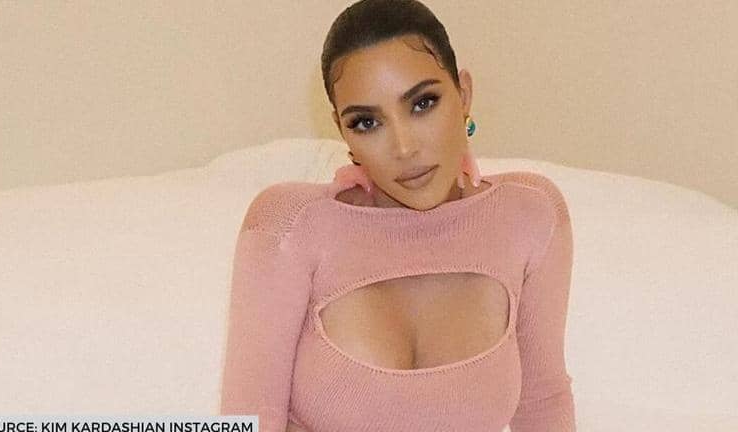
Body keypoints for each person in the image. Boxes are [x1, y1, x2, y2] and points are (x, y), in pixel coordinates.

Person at [220, 1, 576, 430]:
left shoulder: (528, 216)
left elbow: (543, 405)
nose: (404, 148)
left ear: (463, 94)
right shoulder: (289, 226)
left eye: (423, 103)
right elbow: (249, 419)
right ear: (341, 130)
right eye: (367, 123)